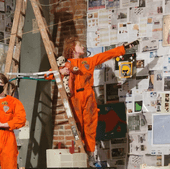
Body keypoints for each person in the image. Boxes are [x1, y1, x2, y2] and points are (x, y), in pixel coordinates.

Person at [46, 36, 138, 167]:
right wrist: (60, 71)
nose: (83, 47)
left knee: (90, 128)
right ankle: (77, 155)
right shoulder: (65, 63)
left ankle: (89, 155)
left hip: (89, 97)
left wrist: (123, 48)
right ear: (73, 48)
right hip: (74, 98)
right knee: (76, 130)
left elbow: (105, 55)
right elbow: (47, 75)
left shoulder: (88, 61)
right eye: (80, 45)